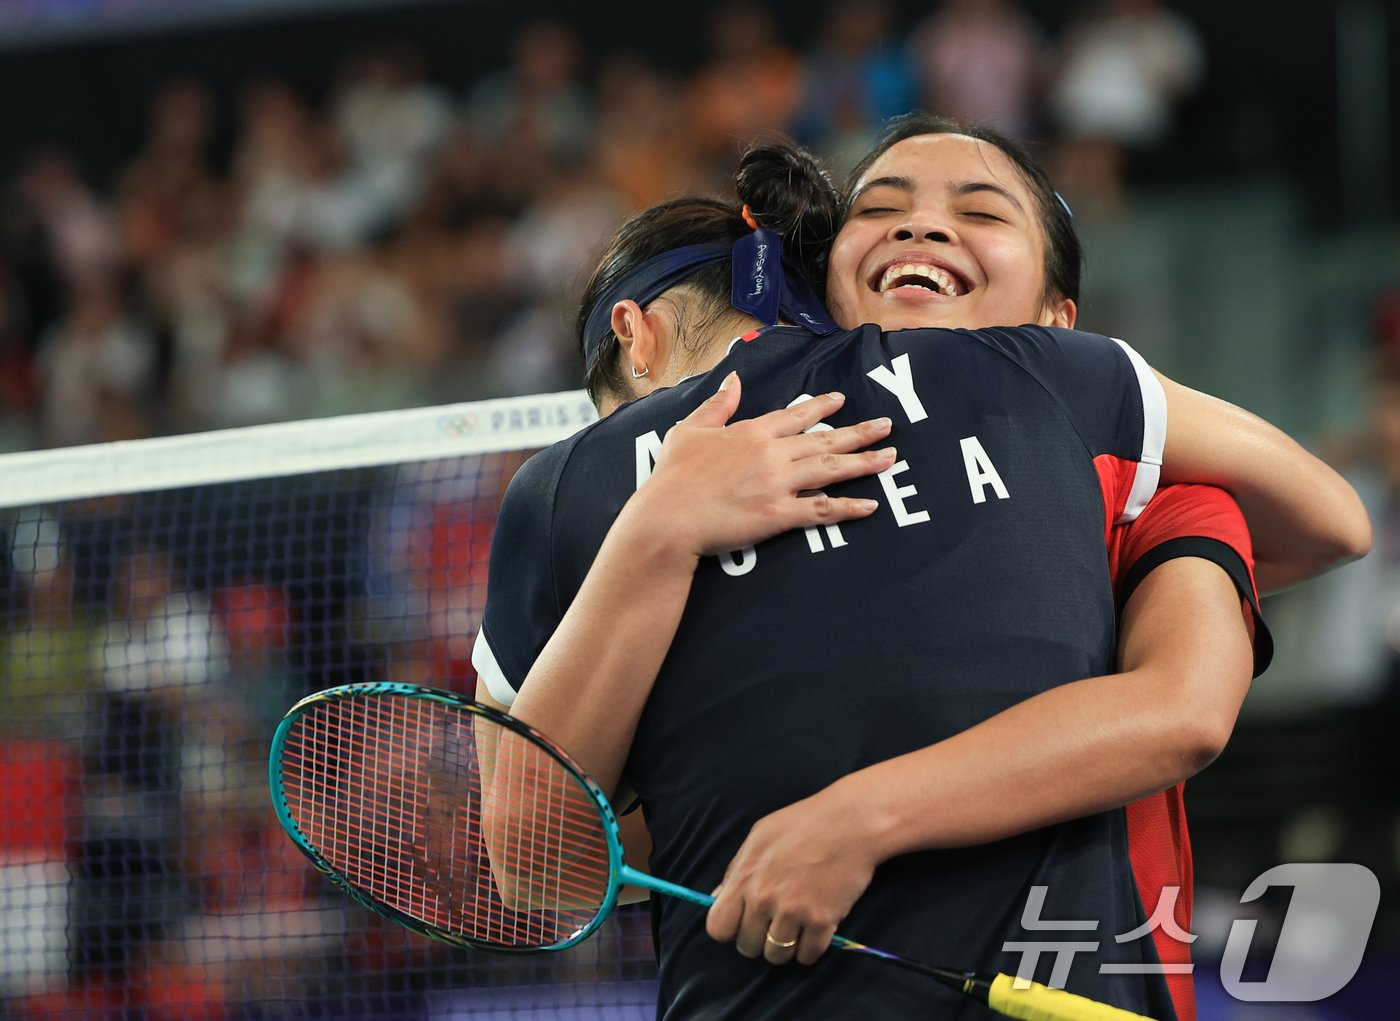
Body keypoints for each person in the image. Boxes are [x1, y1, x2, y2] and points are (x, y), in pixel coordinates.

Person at [471, 136, 1366, 1019]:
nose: (922, 229)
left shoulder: (1148, 478)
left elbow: (1182, 706)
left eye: (980, 212)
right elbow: (550, 858)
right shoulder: (1059, 380)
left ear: (1057, 318)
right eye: (880, 209)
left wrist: (850, 817)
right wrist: (658, 532)